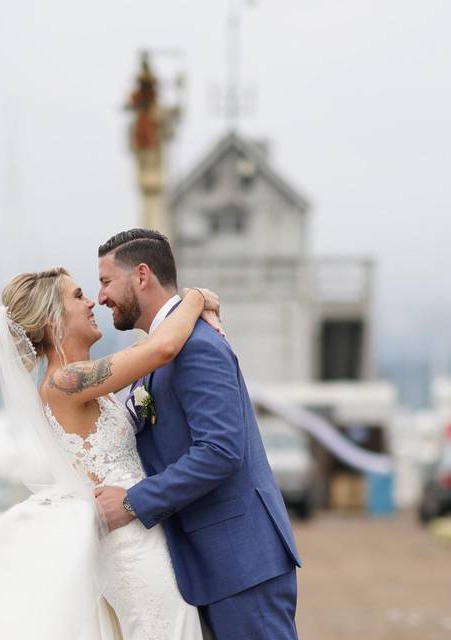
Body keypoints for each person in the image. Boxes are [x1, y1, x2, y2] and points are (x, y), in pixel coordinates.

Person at [93, 229, 301, 640]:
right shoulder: (162, 346)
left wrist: (133, 503)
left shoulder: (197, 345)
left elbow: (220, 451)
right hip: (209, 563)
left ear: (141, 275)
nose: (101, 298)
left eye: (105, 282)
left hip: (241, 563)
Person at [0, 266, 223, 639]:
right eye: (77, 296)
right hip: (130, 546)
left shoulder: (83, 377)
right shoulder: (64, 382)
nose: (91, 303)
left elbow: (152, 343)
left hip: (142, 529)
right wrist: (196, 298)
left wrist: (191, 306)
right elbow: (162, 348)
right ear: (52, 318)